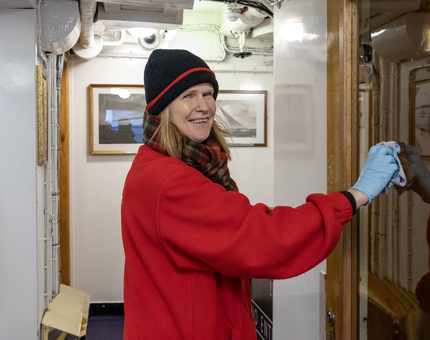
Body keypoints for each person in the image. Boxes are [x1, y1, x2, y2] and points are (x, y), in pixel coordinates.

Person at [121, 49, 399, 339]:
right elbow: (262, 239)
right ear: (162, 108)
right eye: (188, 96)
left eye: (208, 93)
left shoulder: (177, 164)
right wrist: (356, 195)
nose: (204, 105)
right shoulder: (169, 181)